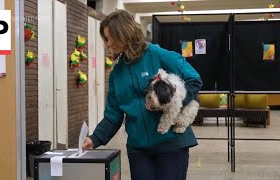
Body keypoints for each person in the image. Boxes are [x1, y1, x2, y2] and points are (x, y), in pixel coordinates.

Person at [82, 9, 203, 180]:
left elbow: (194, 80)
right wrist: (95, 138)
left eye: (110, 38)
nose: (108, 44)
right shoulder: (117, 73)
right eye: (105, 39)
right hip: (138, 149)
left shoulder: (157, 54)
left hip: (171, 143)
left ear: (124, 33)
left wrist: (171, 104)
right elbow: (113, 115)